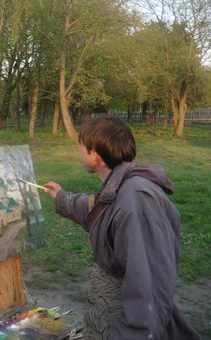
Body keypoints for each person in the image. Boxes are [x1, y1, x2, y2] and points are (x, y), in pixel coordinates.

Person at [43, 116, 201, 339]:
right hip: (109, 311)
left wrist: (132, 332)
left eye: (81, 146)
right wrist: (61, 196)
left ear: (95, 153)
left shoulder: (136, 199)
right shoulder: (120, 185)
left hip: (122, 319)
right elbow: (98, 210)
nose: (79, 151)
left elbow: (148, 284)